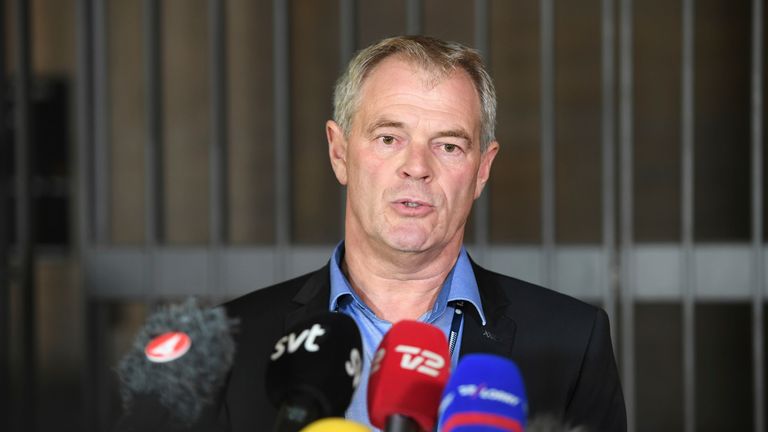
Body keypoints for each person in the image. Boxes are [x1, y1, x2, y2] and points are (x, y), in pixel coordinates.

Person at [219, 35, 626, 431]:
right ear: (338, 152)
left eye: (448, 146)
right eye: (389, 138)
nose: (417, 166)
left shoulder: (573, 342)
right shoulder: (231, 343)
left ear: (483, 169)